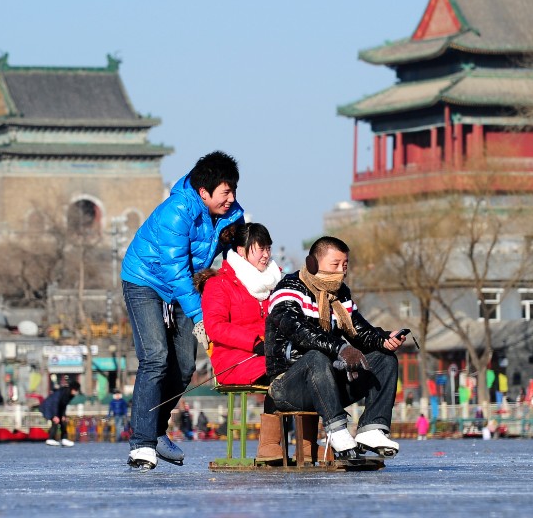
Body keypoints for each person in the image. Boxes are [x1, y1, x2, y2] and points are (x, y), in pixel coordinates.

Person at [121, 151, 244, 470]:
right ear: (204, 192)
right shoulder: (176, 212)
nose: (231, 198)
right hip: (145, 280)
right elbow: (175, 272)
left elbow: (238, 260)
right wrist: (202, 318)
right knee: (156, 357)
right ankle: (142, 444)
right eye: (225, 192)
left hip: (184, 288)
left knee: (186, 367)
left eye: (233, 190)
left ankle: (155, 428)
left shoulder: (232, 216)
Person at [265, 236, 407, 460]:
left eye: (345, 265)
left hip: (327, 384)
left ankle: (372, 429)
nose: (341, 271)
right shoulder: (288, 290)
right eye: (335, 265)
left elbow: (359, 332)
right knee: (316, 357)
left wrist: (383, 339)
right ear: (313, 263)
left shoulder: (341, 295)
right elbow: (300, 331)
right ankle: (337, 430)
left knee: (384, 359)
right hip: (288, 385)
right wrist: (341, 348)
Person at [196, 222, 284, 464]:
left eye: (268, 248)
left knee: (309, 370)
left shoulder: (276, 282)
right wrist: (254, 342)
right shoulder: (220, 283)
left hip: (270, 355)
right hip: (235, 359)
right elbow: (215, 327)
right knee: (284, 375)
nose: (266, 255)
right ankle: (269, 445)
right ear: (242, 251)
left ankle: (307, 445)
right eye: (260, 249)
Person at [40, 381, 80, 447]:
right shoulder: (62, 392)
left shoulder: (70, 394)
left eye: (76, 390)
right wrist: (55, 415)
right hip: (49, 407)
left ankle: (64, 439)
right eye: (75, 390)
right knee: (55, 420)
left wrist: (63, 415)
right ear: (72, 389)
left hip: (56, 408)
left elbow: (64, 405)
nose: (75, 392)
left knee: (63, 421)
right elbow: (55, 403)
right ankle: (50, 439)